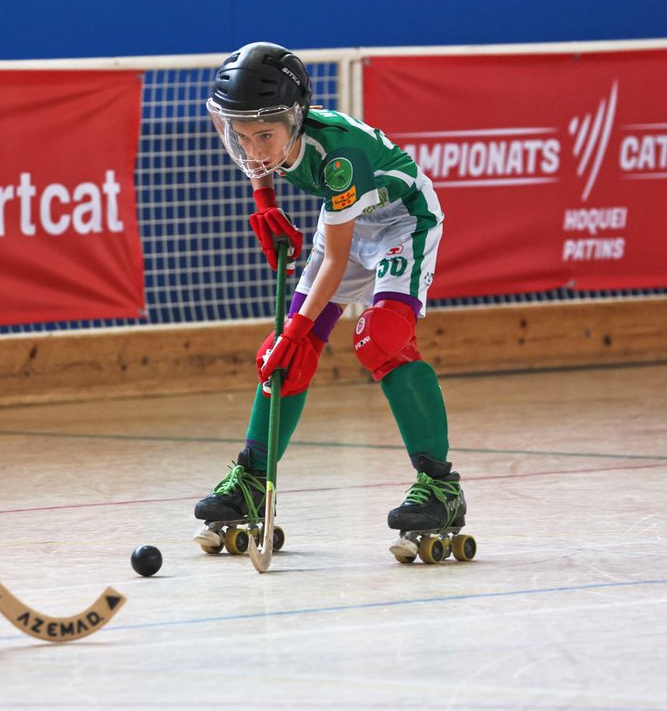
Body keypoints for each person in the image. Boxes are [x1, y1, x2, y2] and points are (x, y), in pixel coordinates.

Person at [193, 41, 471, 563]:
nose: (253, 149)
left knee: (381, 339)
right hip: (346, 218)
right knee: (288, 358)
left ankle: (440, 487)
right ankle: (252, 479)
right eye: (242, 135)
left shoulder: (339, 160)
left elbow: (337, 263)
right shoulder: (267, 137)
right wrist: (264, 203)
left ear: (295, 120)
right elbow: (259, 163)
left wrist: (294, 330)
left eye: (264, 136)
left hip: (402, 220)